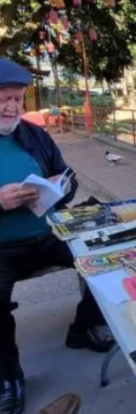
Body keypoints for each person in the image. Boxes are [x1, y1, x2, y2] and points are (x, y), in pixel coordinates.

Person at [0, 59, 114, 414]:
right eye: (3, 98)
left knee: (107, 257)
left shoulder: (35, 135)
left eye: (18, 99)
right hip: (1, 249)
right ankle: (8, 378)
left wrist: (58, 188)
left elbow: (69, 177)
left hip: (47, 234)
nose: (12, 107)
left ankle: (84, 326)